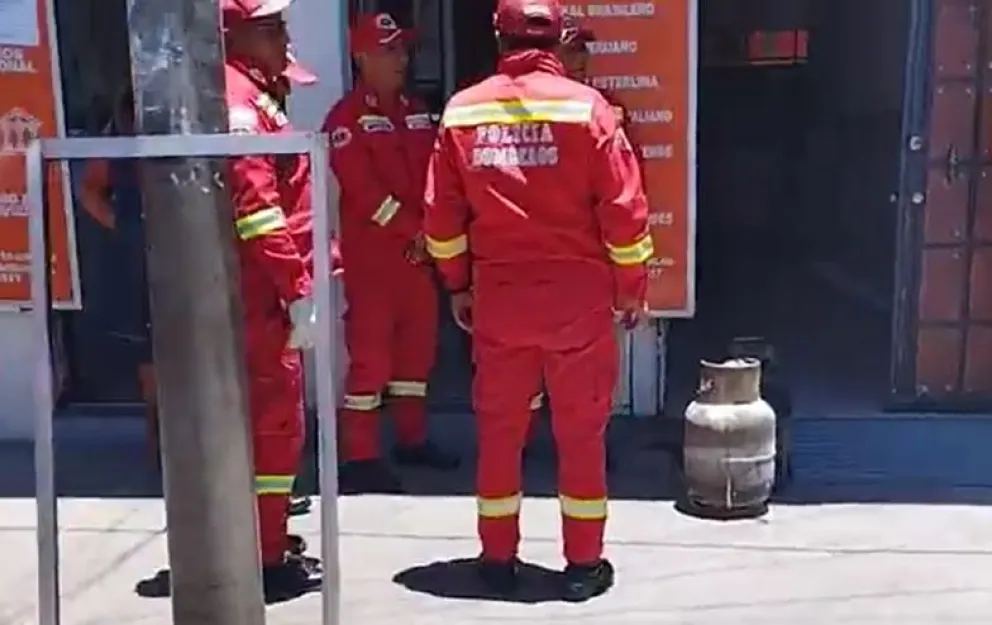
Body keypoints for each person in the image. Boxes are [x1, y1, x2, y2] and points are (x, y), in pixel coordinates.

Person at [423, 0, 653, 602]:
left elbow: (442, 221)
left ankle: (497, 559)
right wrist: (631, 290)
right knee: (580, 434)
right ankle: (582, 564)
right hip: (577, 301)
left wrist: (458, 284)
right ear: (556, 39)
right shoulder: (591, 110)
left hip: (500, 297)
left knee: (501, 433)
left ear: (497, 36)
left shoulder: (462, 111)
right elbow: (625, 216)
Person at [322, 12, 458, 495]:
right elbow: (361, 190)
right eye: (388, 50)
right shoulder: (345, 119)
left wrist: (433, 231)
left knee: (417, 354)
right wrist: (413, 232)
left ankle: (412, 438)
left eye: (402, 49)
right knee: (371, 359)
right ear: (361, 58)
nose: (400, 59)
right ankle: (359, 456)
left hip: (418, 258)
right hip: (374, 261)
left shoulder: (417, 109)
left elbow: (440, 174)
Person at [222, 0, 323, 599]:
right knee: (274, 429)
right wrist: (297, 289)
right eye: (274, 27)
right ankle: (264, 560)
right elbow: (257, 209)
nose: (285, 36)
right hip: (262, 297)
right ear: (241, 34)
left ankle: (268, 539)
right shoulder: (239, 104)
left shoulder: (255, 95)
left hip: (268, 294)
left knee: (273, 429)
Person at [78, 88, 159, 468]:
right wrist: (124, 228)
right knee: (147, 350)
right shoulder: (119, 140)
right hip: (141, 256)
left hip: (194, 249)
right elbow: (90, 190)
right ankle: (158, 437)